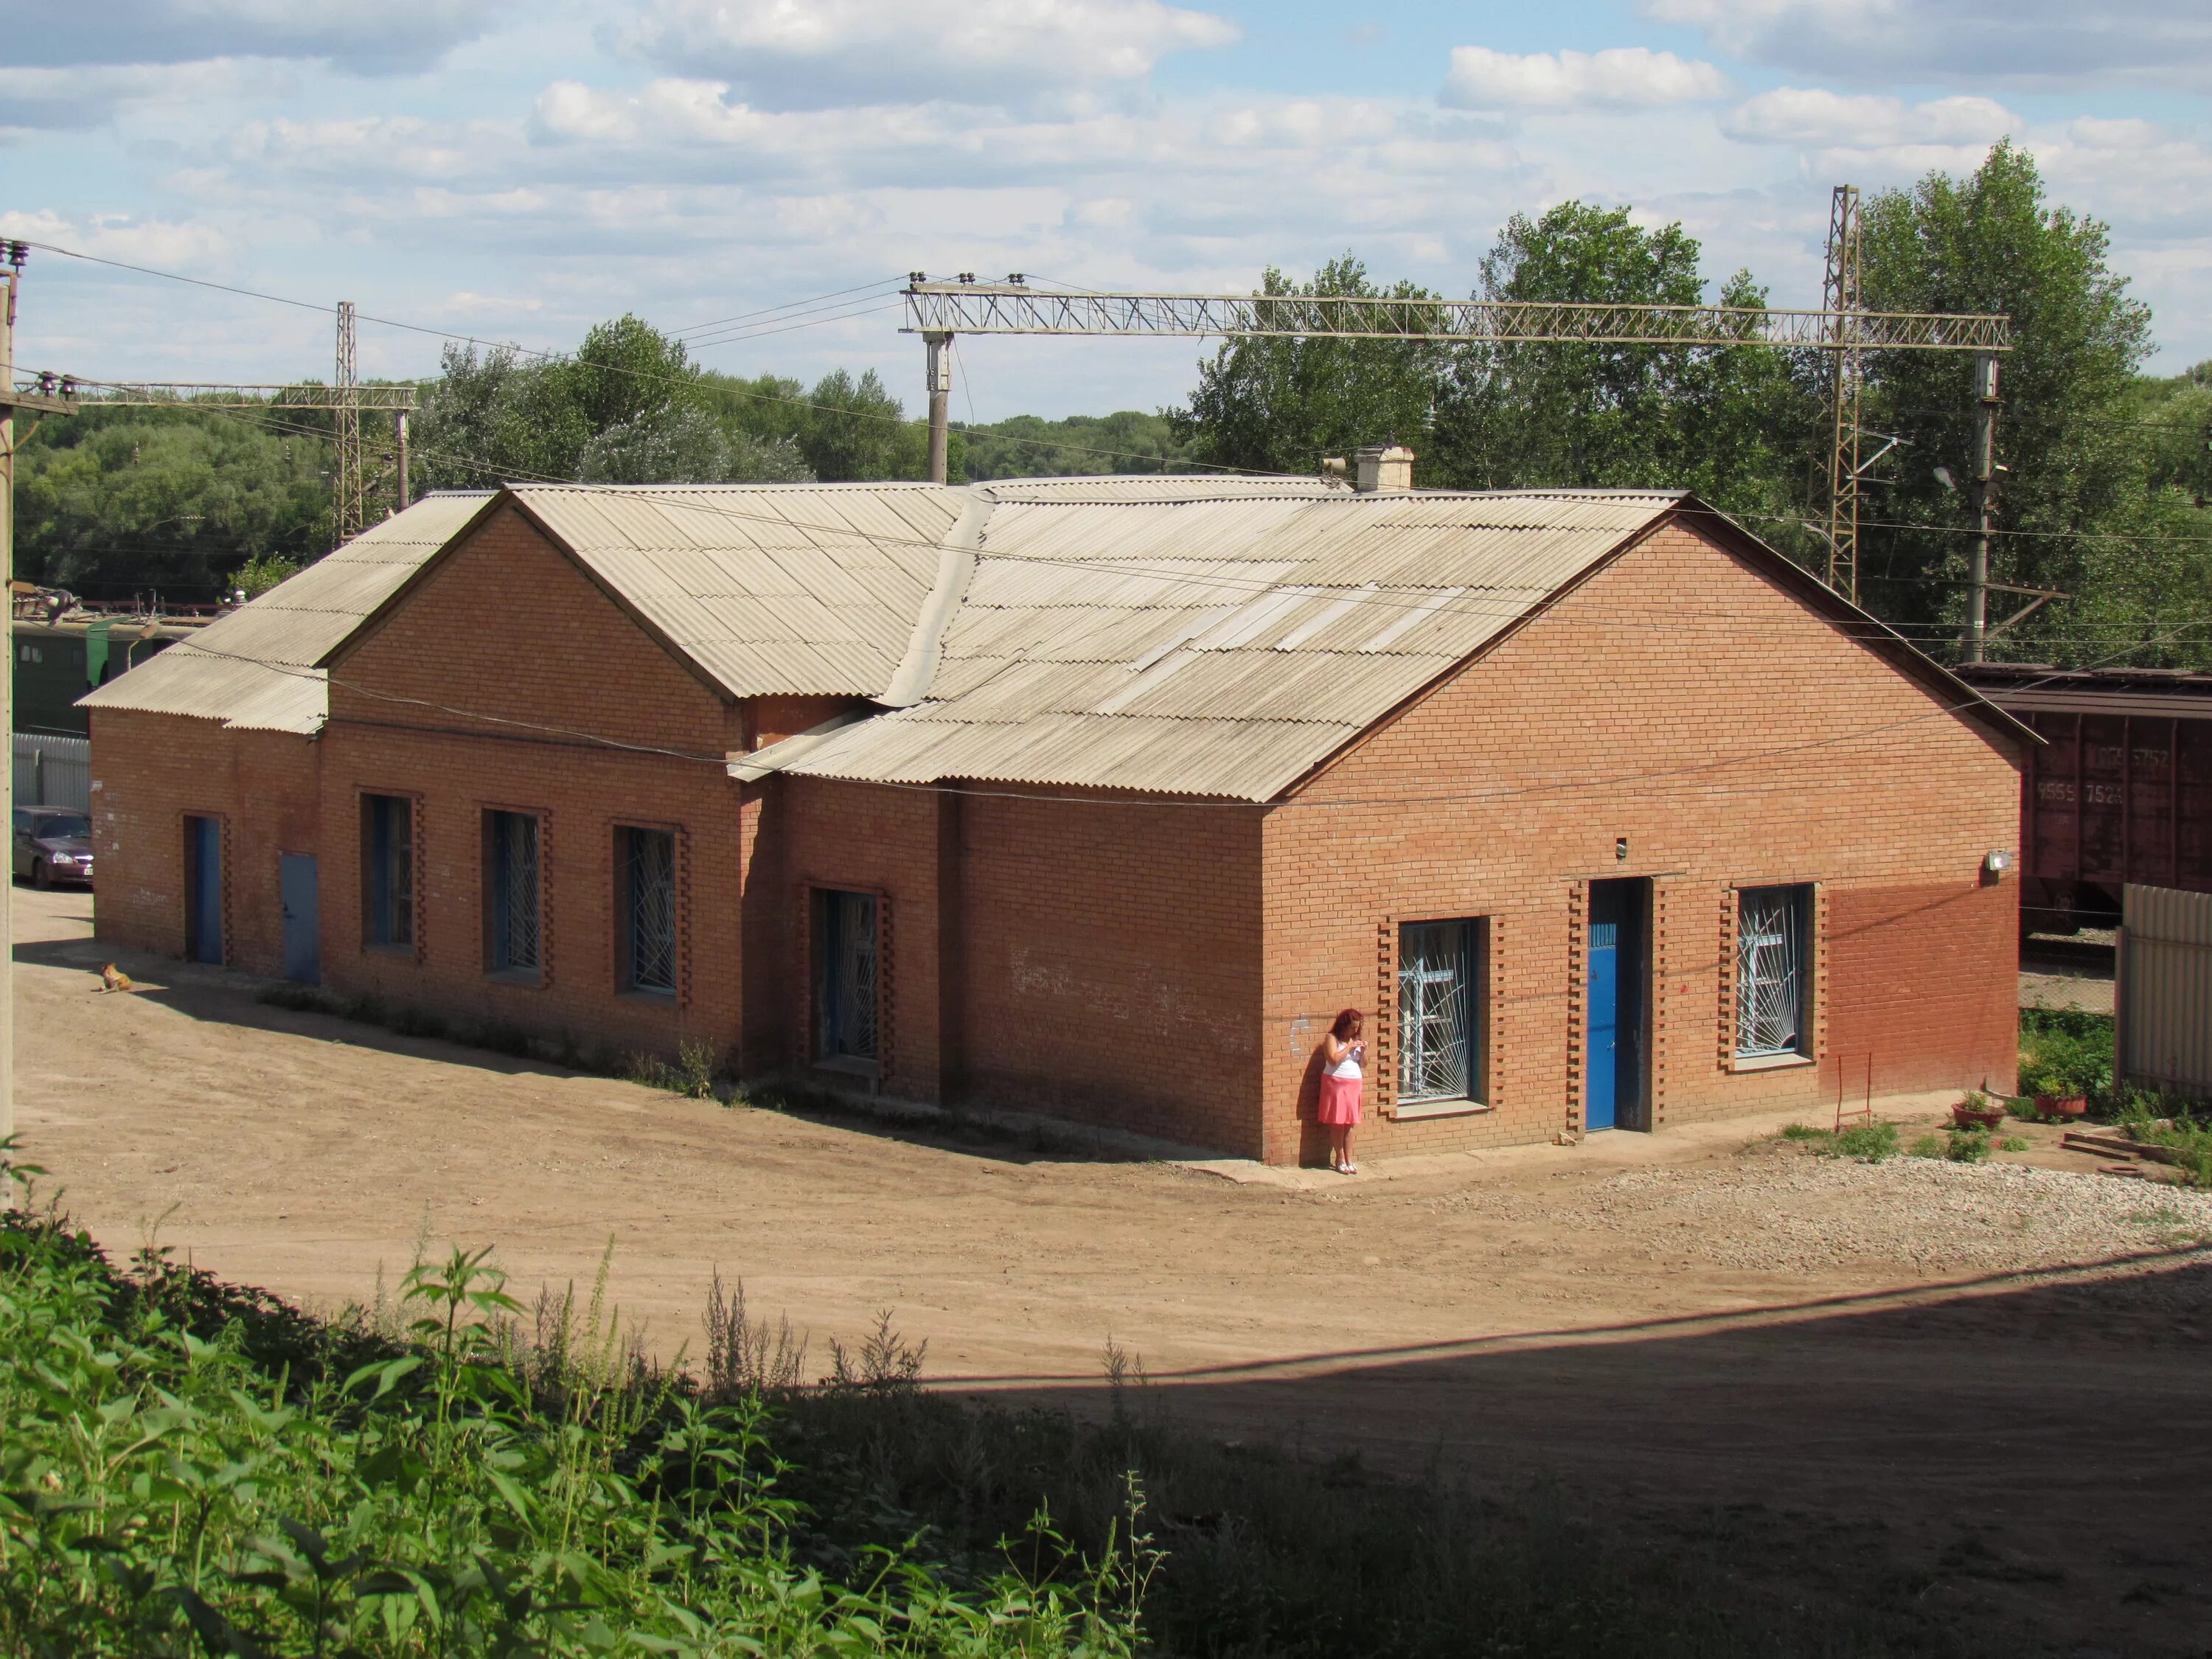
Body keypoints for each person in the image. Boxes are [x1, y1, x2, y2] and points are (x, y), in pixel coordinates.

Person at [1318, 1008, 1365, 1174]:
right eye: (1352, 1027)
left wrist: (1363, 1050)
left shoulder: (1355, 1039)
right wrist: (1350, 1047)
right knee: (1338, 1122)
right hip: (1336, 1083)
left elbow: (1364, 1063)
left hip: (1354, 1084)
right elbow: (1333, 1059)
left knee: (1350, 1123)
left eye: (1357, 1028)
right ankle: (1340, 1158)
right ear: (1343, 1025)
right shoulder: (1332, 1038)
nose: (1355, 1031)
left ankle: (1350, 1158)